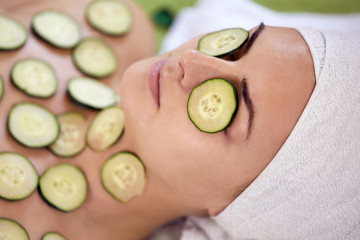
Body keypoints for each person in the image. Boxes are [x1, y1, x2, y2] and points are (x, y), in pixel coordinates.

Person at [1, 1, 360, 240]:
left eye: (232, 104)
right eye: (235, 47)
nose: (192, 61)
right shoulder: (104, 21)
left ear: (232, 208)